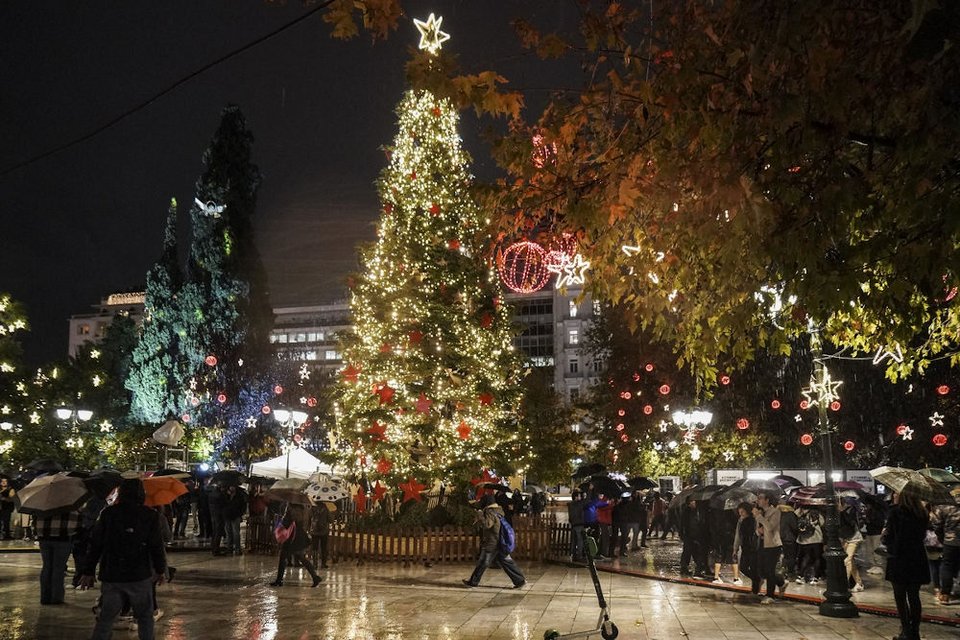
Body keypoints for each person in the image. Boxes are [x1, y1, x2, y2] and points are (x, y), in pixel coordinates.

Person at [79, 478, 167, 640]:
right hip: (139, 573)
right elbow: (156, 546)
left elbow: (96, 544)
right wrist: (160, 569)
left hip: (113, 572)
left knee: (106, 617)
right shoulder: (149, 515)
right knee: (145, 617)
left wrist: (88, 570)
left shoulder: (108, 514)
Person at [882, 488, 930, 640]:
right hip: (917, 557)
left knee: (900, 596)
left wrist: (885, 535)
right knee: (914, 596)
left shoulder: (895, 512)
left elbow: (890, 537)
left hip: (899, 557)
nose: (893, 495)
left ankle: (905, 631)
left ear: (902, 496)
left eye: (896, 493)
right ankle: (914, 631)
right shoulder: (922, 513)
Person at [462, 494, 525, 589]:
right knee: (507, 562)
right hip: (501, 541)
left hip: (492, 543)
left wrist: (479, 514)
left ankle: (473, 582)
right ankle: (520, 580)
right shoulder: (499, 511)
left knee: (483, 562)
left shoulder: (490, 512)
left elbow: (487, 525)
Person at [36, 508, 82, 605]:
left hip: (44, 536)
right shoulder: (69, 502)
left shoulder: (44, 502)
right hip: (63, 536)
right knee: (58, 568)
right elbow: (76, 521)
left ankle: (45, 597)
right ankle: (56, 597)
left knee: (47, 566)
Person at [270, 503, 322, 587]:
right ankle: (315, 577)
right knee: (301, 558)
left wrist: (282, 518)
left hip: (292, 538)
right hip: (300, 536)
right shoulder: (303, 509)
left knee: (283, 558)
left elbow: (286, 523)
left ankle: (279, 580)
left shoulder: (290, 509)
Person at [752, 491, 787, 604]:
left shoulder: (775, 511)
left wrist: (759, 516)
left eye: (761, 498)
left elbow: (770, 527)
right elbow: (758, 530)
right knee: (761, 570)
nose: (758, 500)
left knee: (769, 570)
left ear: (767, 500)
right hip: (762, 543)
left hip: (773, 544)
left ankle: (770, 595)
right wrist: (758, 531)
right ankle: (781, 582)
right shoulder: (761, 512)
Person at [930, 487, 959, 604]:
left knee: (947, 566)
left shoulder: (944, 504)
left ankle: (945, 594)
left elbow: (936, 524)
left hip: (950, 541)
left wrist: (943, 538)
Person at [839, 498, 865, 591]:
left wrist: (842, 513)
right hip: (845, 538)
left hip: (854, 538)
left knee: (847, 560)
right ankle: (859, 583)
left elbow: (851, 523)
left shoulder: (852, 510)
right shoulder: (839, 512)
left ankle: (843, 584)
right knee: (851, 562)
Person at [796, 506, 825, 584]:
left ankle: (800, 576)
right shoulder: (817, 513)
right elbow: (822, 523)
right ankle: (815, 578)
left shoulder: (800, 511)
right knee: (817, 558)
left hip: (805, 539)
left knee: (806, 557)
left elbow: (795, 517)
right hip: (817, 539)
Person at [679, 496, 705, 577]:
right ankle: (684, 567)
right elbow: (683, 524)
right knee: (687, 551)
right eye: (692, 501)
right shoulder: (687, 511)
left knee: (694, 551)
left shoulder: (697, 510)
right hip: (688, 535)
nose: (694, 503)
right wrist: (682, 534)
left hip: (695, 535)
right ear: (689, 503)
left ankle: (698, 568)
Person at [731, 502, 755, 587]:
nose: (741, 514)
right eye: (739, 512)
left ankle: (756, 584)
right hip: (745, 546)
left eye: (742, 512)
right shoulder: (741, 521)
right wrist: (735, 549)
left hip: (753, 547)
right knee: (743, 567)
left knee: (753, 567)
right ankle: (756, 579)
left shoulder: (754, 519)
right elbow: (738, 535)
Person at [221, 483, 247, 556]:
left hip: (235, 516)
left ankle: (237, 549)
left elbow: (243, 505)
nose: (232, 488)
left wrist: (240, 513)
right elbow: (222, 504)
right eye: (231, 486)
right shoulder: (225, 494)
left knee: (236, 533)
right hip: (227, 516)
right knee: (228, 533)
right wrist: (227, 496)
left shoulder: (239, 495)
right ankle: (229, 549)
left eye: (233, 486)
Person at [779, 503, 799, 581]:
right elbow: (794, 527)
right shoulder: (791, 514)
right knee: (791, 556)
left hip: (782, 538)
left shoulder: (780, 514)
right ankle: (790, 573)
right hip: (790, 538)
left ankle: (783, 572)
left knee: (786, 555)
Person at [567, 490, 587, 562]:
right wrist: (590, 490)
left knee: (573, 540)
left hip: (573, 524)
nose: (580, 497)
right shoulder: (579, 504)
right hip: (579, 524)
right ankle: (579, 556)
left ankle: (573, 555)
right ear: (576, 497)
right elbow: (586, 501)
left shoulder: (571, 504)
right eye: (579, 496)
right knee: (580, 540)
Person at [311, 502, 331, 568]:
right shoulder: (325, 508)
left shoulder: (312, 507)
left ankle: (315, 564)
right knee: (323, 548)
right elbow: (330, 519)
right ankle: (323, 563)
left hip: (314, 531)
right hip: (324, 531)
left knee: (314, 548)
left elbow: (309, 517)